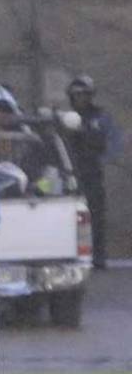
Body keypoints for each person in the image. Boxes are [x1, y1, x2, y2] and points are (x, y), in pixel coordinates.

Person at [65, 76, 121, 269]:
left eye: (83, 95)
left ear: (90, 96)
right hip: (71, 174)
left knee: (95, 215)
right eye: (76, 95)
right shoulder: (67, 118)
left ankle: (98, 256)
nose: (80, 98)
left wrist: (102, 160)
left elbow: (114, 140)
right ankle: (74, 255)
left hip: (93, 174)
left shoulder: (100, 117)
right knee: (71, 216)